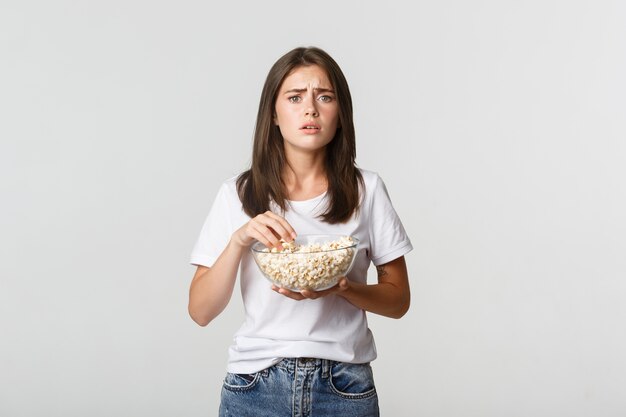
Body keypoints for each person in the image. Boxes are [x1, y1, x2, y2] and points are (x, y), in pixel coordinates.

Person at [188, 46, 413, 417]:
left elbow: (398, 300)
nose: (310, 109)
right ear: (273, 114)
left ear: (341, 115)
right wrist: (240, 239)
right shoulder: (237, 194)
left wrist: (343, 288)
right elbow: (200, 311)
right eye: (295, 97)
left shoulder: (367, 191)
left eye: (324, 97)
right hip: (255, 383)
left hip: (344, 385)